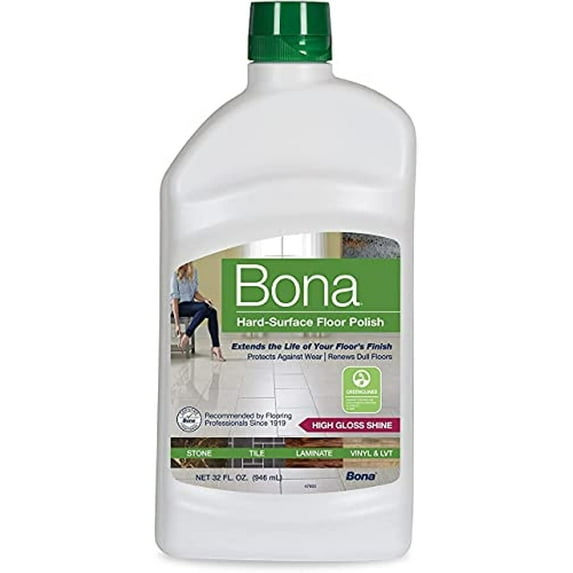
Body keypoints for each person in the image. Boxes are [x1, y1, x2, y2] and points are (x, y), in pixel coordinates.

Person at [170, 262, 225, 361]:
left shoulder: (193, 271)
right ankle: (187, 335)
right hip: (178, 306)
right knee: (205, 308)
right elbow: (174, 300)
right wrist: (177, 325)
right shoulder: (175, 273)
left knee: (212, 311)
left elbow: (195, 293)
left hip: (190, 305)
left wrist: (205, 299)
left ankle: (216, 346)